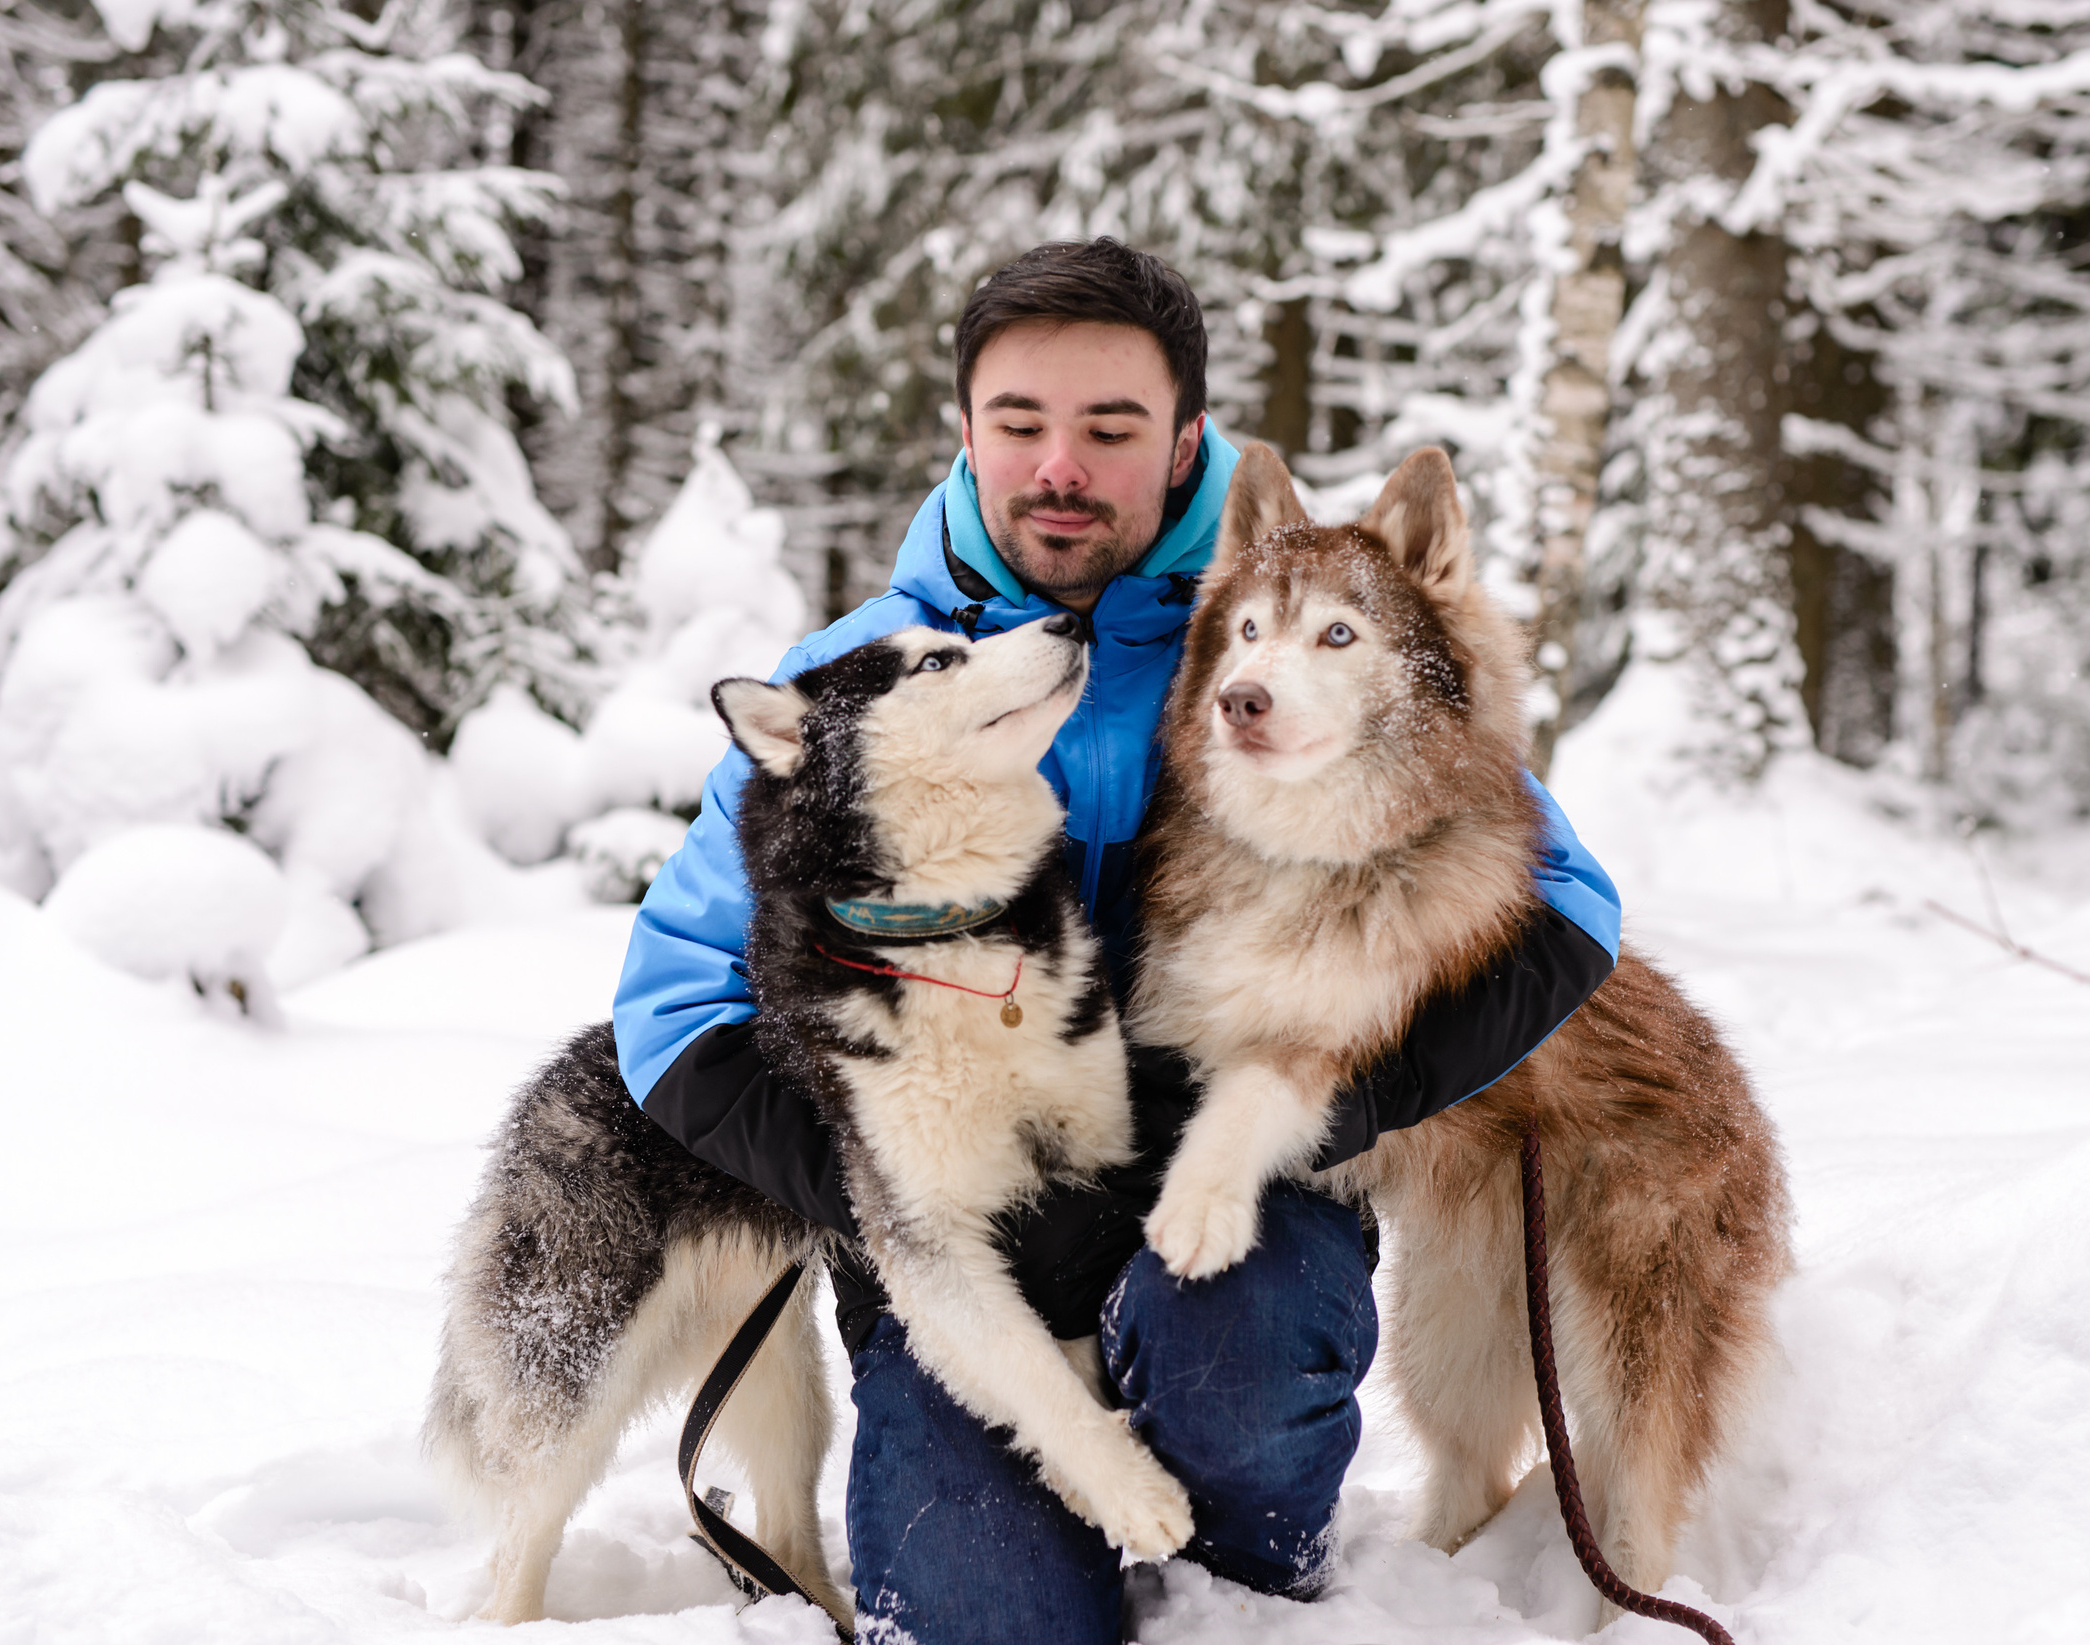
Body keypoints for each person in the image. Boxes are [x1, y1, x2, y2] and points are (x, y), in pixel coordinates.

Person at [612, 238, 1621, 1645]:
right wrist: (882, 1187)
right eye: (1020, 423)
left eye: (1111, 427)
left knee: (1242, 1386)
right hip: (959, 1236)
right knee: (984, 1617)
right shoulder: (864, 677)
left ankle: (1245, 1594)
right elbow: (671, 1007)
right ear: (967, 430)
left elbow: (1569, 905)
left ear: (1186, 437)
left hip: (1240, 1177)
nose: (1059, 467)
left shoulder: (1276, 643)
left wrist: (1345, 1097)